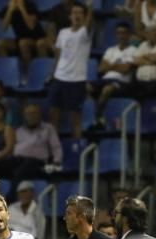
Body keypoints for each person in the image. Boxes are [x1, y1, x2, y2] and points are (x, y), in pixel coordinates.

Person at [0, 103, 62, 185]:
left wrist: (56, 162)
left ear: (39, 114)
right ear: (25, 116)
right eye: (28, 114)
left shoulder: (48, 128)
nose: (31, 116)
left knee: (22, 170)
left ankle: (11, 197)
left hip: (37, 163)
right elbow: (11, 148)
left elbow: (56, 147)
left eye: (34, 113)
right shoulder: (19, 130)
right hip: (17, 160)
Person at [48, 1, 93, 141]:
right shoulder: (63, 32)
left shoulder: (85, 33)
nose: (77, 15)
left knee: (75, 119)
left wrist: (90, 7)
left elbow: (89, 23)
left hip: (76, 81)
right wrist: (53, 73)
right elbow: (58, 55)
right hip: (59, 78)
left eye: (80, 13)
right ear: (70, 16)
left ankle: (77, 150)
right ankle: (53, 153)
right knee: (53, 116)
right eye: (74, 13)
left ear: (85, 17)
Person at [90, 21, 136, 130]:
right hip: (105, 78)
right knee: (85, 87)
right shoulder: (110, 50)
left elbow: (126, 69)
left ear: (129, 35)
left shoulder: (134, 50)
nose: (121, 36)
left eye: (124, 33)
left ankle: (97, 116)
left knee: (107, 89)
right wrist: (117, 66)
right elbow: (101, 69)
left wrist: (110, 65)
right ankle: (92, 115)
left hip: (122, 82)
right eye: (119, 33)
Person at [0, 0, 50, 74]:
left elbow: (31, 26)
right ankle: (7, 72)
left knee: (23, 43)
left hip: (36, 38)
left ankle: (28, 73)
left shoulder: (30, 6)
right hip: (20, 38)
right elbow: (3, 28)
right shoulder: (7, 9)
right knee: (0, 43)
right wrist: (9, 10)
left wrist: (22, 9)